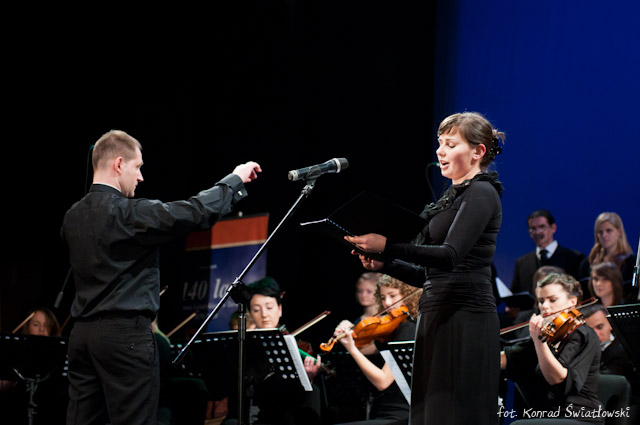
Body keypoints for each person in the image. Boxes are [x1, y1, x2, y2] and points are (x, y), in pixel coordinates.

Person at [61, 129, 261, 425]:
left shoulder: (72, 217)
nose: (141, 177)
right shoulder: (128, 214)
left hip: (82, 337)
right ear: (119, 164)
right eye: (138, 167)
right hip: (124, 337)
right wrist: (234, 180)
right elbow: (194, 212)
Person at [345, 111, 505, 424]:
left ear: (478, 151)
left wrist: (388, 247)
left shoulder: (482, 193)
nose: (440, 151)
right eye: (440, 143)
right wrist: (386, 263)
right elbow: (427, 275)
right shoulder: (451, 198)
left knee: (456, 414)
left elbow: (449, 256)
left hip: (464, 316)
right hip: (436, 314)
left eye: (450, 144)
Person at [500, 273, 603, 424]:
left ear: (573, 302)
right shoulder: (549, 335)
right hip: (547, 413)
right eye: (541, 301)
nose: (545, 306)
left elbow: (557, 378)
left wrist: (539, 341)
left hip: (577, 415)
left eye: (552, 300)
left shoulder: (582, 334)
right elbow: (513, 357)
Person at [222, 276, 323, 425]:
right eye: (256, 310)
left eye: (269, 308)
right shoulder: (245, 345)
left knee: (312, 391)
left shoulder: (293, 344)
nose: (264, 315)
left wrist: (306, 379)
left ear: (279, 309)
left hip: (283, 414)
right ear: (251, 313)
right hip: (251, 412)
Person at [333, 275, 421, 425]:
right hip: (385, 409)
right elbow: (364, 351)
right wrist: (351, 335)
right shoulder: (395, 327)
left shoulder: (408, 328)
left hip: (399, 413)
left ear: (408, 295)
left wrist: (351, 348)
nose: (387, 303)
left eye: (393, 296)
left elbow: (382, 381)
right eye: (383, 297)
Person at [511, 209, 585, 297]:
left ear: (553, 228)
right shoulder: (521, 263)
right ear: (530, 233)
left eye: (542, 227)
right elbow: (516, 295)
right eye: (533, 228)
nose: (538, 232)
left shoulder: (574, 258)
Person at [579, 212, 636, 301]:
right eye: (600, 232)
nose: (604, 235)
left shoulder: (631, 262)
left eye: (609, 230)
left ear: (619, 232)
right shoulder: (587, 263)